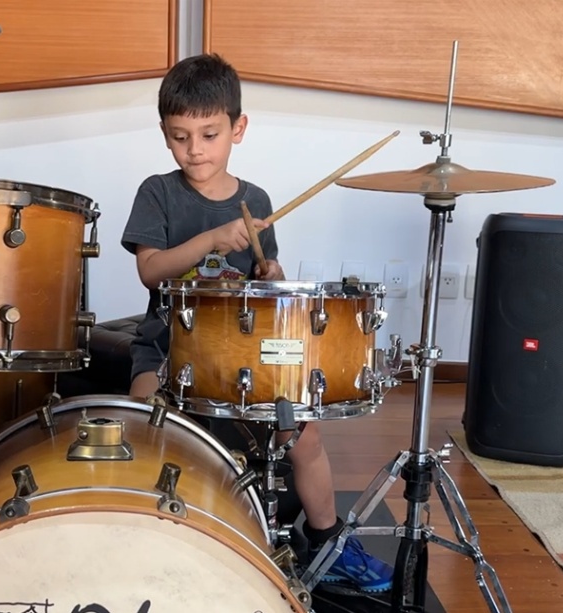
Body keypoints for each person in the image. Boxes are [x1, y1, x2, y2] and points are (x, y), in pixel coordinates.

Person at [119, 53, 394, 593]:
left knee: (306, 438)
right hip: (169, 348)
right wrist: (210, 240)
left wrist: (270, 271)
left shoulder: (256, 200)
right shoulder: (159, 191)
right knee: (145, 421)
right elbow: (151, 273)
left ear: (237, 129)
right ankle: (152, 540)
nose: (194, 149)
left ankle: (328, 540)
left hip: (245, 357)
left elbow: (263, 284)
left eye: (209, 133)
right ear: (164, 135)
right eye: (180, 137)